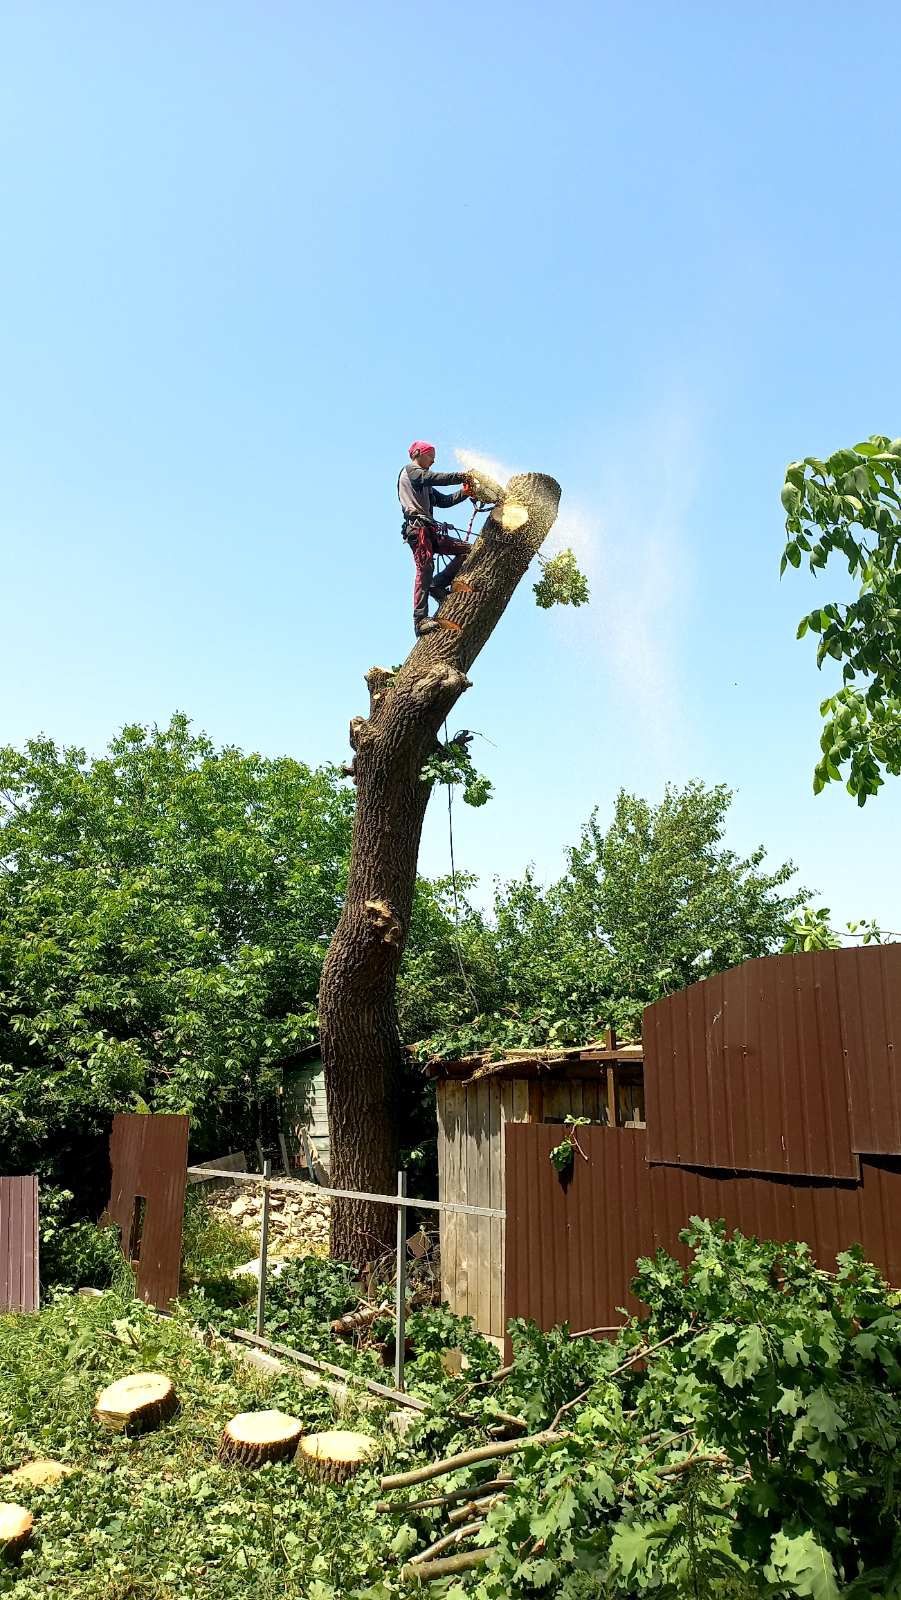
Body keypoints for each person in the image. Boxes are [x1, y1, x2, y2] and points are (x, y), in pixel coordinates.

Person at [398, 441, 474, 636]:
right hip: (418, 531)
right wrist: (460, 476)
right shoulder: (411, 471)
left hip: (430, 530)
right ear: (418, 454)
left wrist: (464, 492)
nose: (433, 460)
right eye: (430, 455)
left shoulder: (426, 483)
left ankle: (438, 585)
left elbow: (444, 501)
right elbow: (432, 477)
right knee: (424, 570)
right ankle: (420, 620)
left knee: (467, 550)